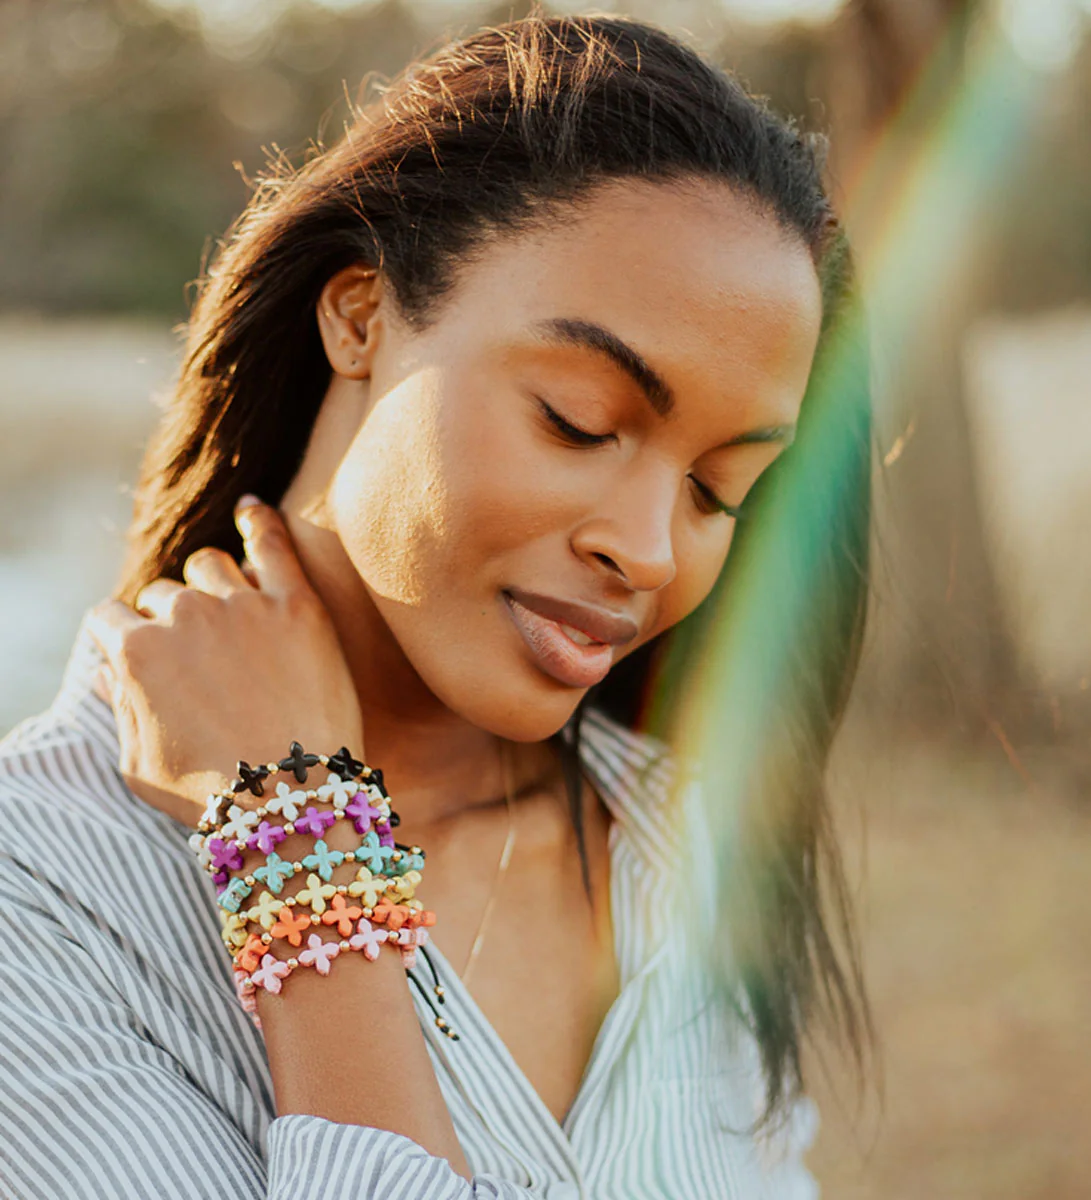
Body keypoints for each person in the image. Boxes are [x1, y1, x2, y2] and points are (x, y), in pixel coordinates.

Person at [0, 13, 873, 1199]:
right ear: (361, 316)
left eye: (718, 491)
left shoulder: (686, 845)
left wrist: (306, 838)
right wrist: (304, 870)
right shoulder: (43, 894)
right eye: (577, 421)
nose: (649, 549)